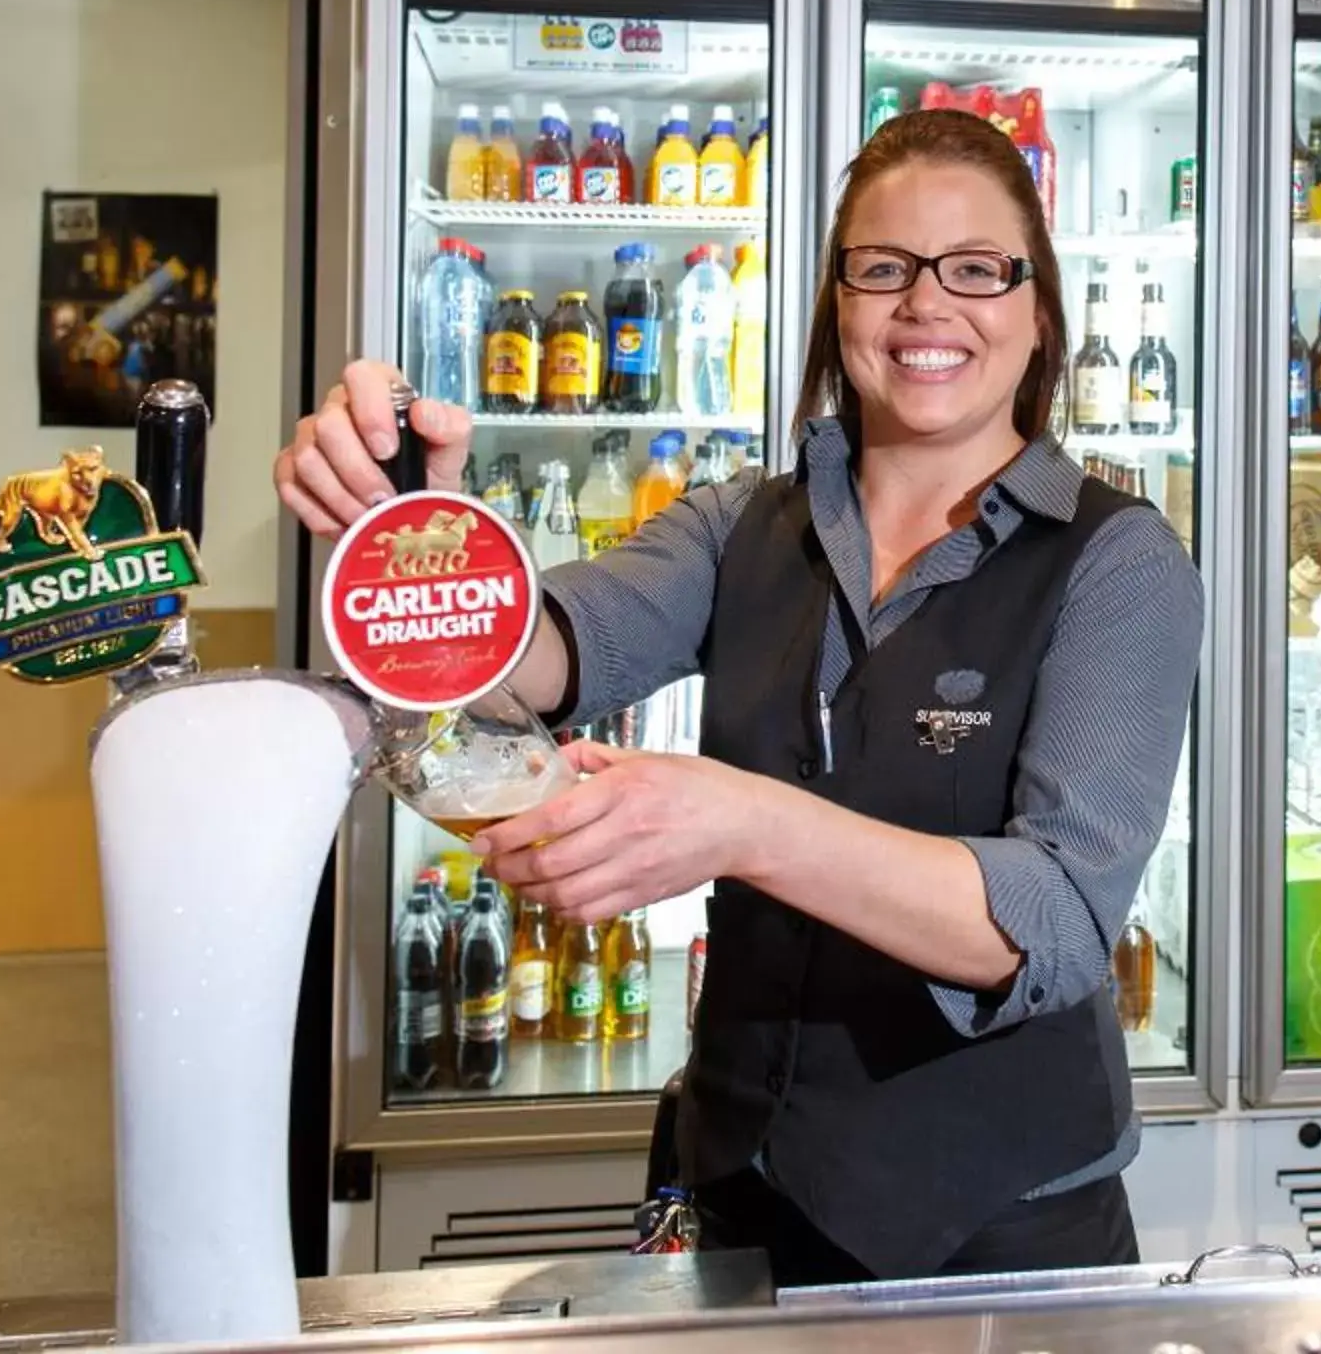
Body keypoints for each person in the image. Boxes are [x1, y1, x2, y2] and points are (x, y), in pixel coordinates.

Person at [277, 109, 1203, 1285]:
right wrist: (422, 530)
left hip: (1005, 1228)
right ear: (836, 305)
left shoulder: (1117, 563)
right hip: (747, 1187)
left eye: (976, 269)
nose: (927, 305)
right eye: (882, 269)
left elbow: (1061, 920)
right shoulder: (740, 525)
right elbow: (545, 654)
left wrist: (743, 820)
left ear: (1038, 315)